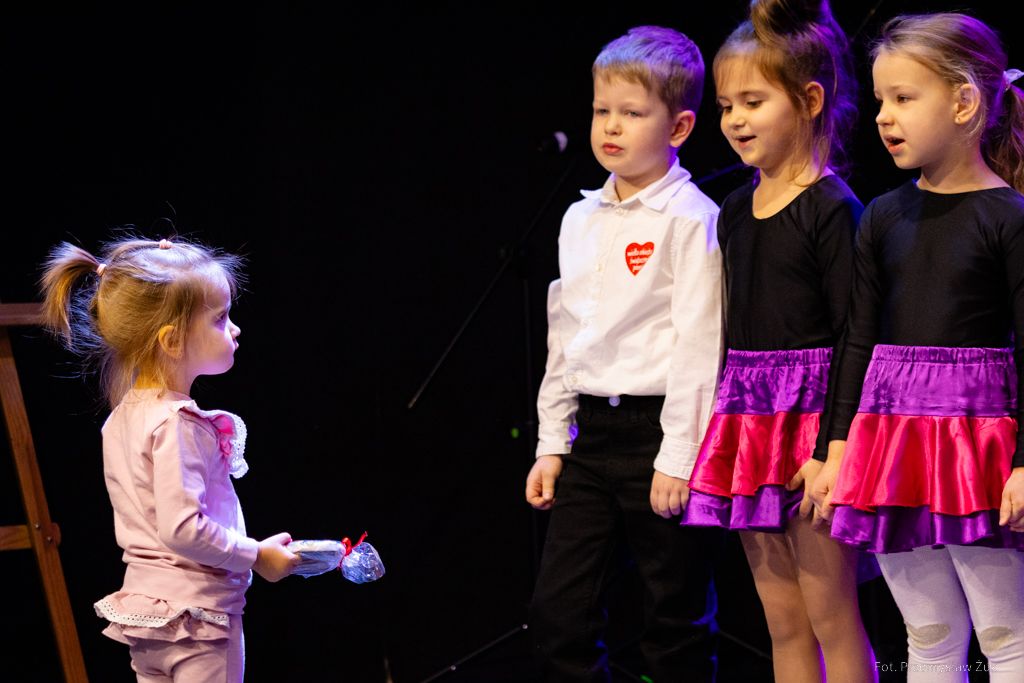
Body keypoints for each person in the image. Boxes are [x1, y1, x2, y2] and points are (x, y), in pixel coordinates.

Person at [811, 13, 1024, 681]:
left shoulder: (1007, 216)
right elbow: (858, 337)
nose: (883, 115)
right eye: (880, 99)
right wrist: (835, 447)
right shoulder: (882, 214)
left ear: (964, 103)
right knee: (929, 635)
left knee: (1005, 635)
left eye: (904, 97)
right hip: (892, 444)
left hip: (976, 451)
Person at [680, 2, 876, 681]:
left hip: (813, 423)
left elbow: (856, 335)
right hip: (750, 421)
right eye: (726, 105)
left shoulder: (832, 208)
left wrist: (831, 449)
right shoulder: (734, 209)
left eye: (753, 102)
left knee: (831, 615)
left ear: (810, 101)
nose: (734, 119)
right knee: (783, 621)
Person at [525, 25, 724, 682]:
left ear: (679, 126)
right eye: (601, 110)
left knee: (673, 620)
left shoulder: (691, 218)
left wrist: (679, 457)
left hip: (659, 435)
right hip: (591, 437)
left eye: (632, 113)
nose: (611, 126)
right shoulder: (579, 219)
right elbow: (566, 335)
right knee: (561, 617)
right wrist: (551, 442)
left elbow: (700, 345)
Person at [40, 237, 299, 682]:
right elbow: (182, 528)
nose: (235, 329)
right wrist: (256, 554)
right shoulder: (177, 423)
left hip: (149, 616)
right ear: (173, 340)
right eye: (220, 318)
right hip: (197, 620)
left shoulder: (123, 417)